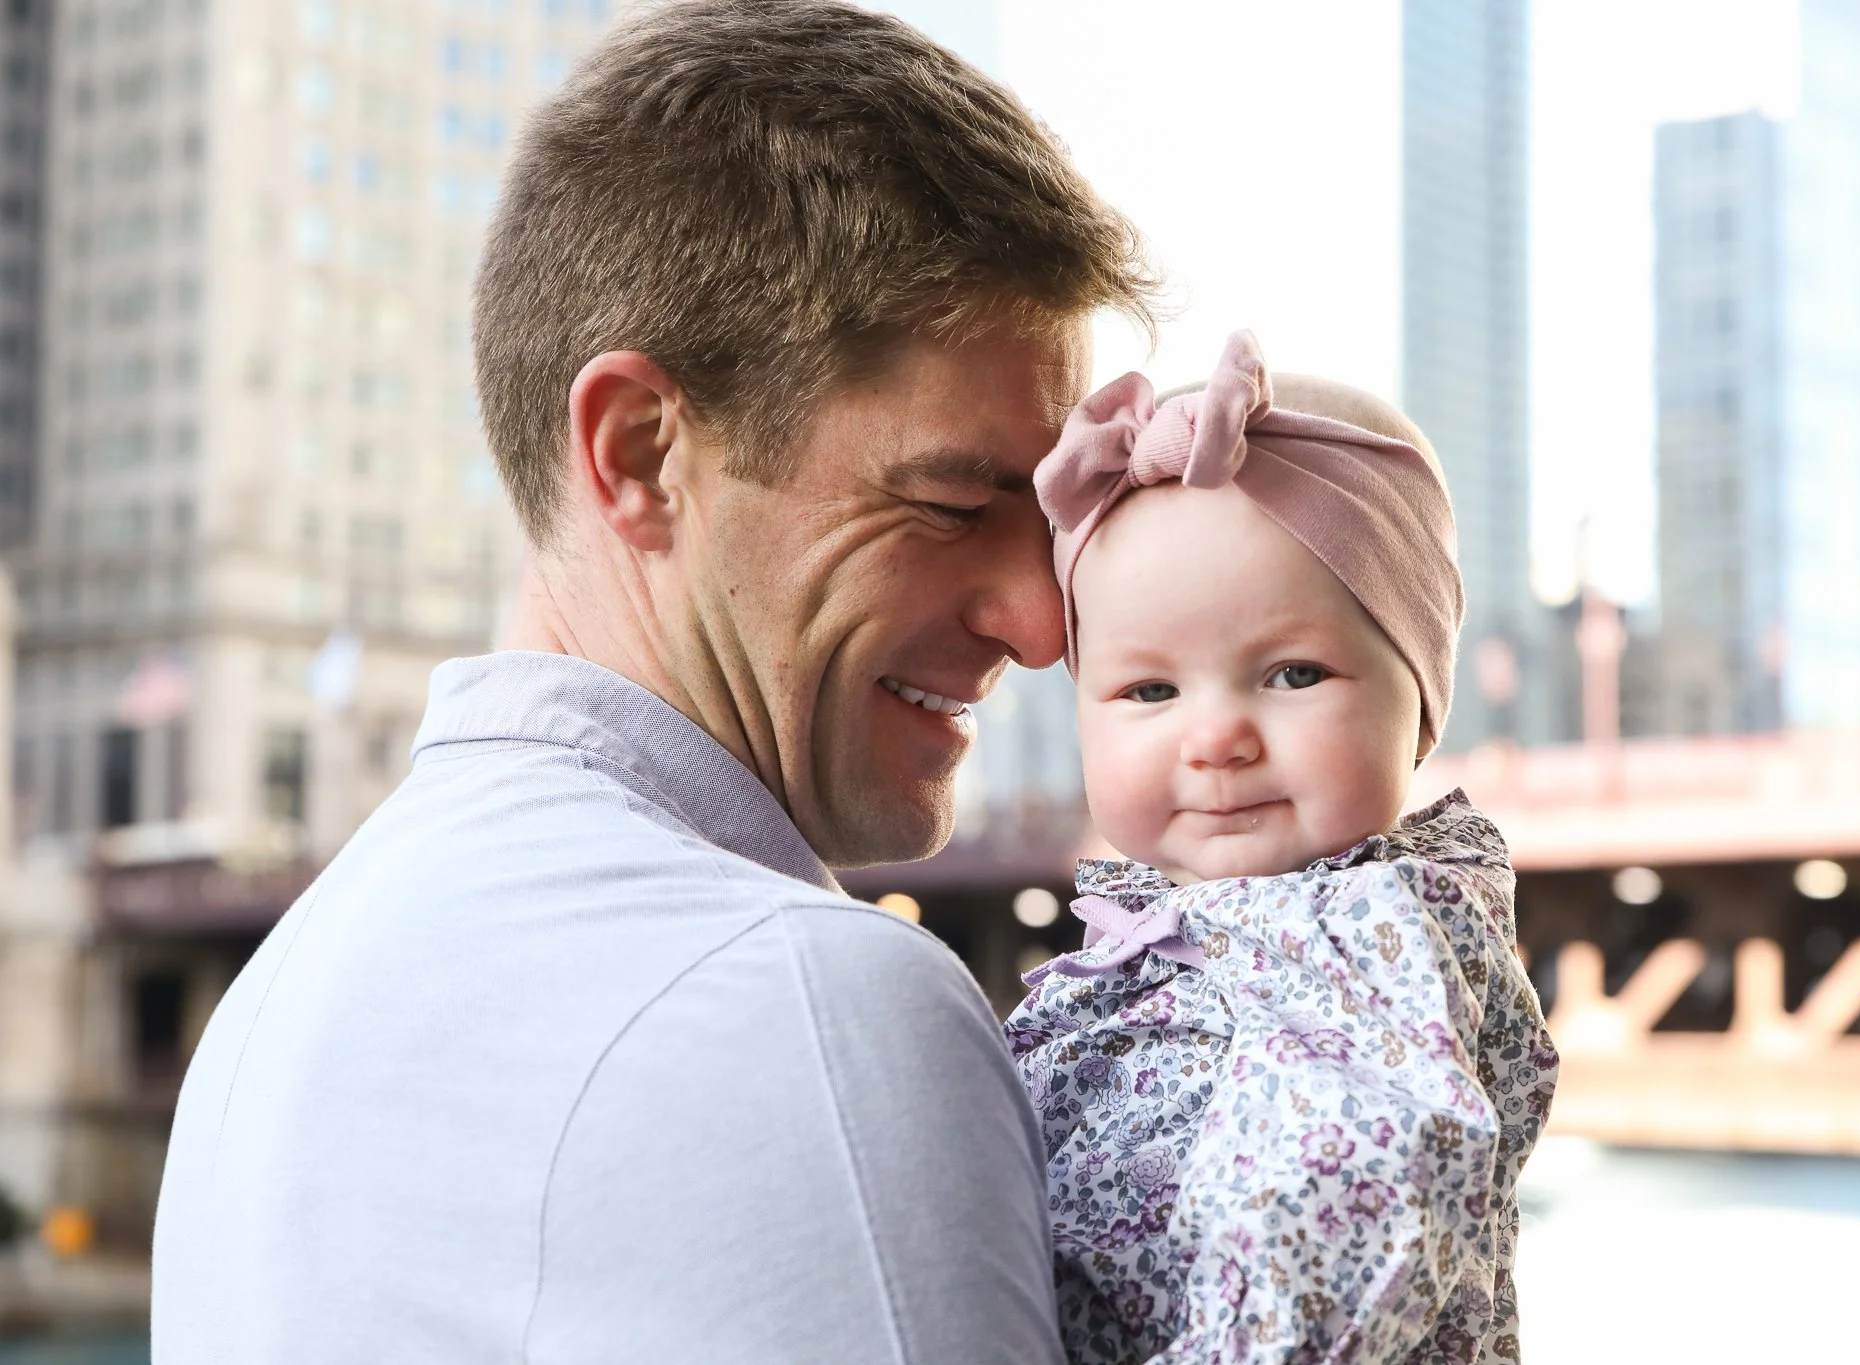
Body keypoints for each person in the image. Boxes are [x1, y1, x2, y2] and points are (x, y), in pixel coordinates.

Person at [150, 4, 1155, 1361]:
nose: (1042, 625)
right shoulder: (812, 1008)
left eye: (1049, 521)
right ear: (636, 452)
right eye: (952, 500)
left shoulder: (271, 1017)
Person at [1005, 332, 1557, 1364]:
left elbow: (1339, 1218)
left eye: (1293, 675)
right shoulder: (1144, 947)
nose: (1214, 739)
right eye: (1149, 691)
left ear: (1419, 711)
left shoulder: (1368, 940)